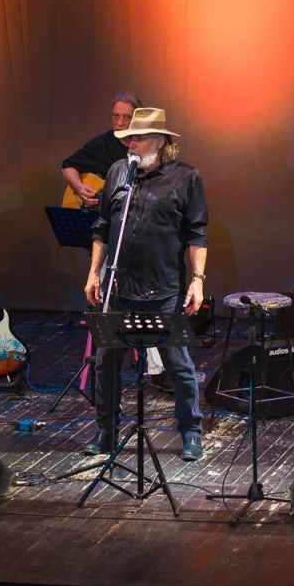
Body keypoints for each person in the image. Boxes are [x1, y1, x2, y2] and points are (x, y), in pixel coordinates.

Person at [83, 107, 208, 461]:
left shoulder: (186, 178)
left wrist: (197, 281)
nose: (131, 144)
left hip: (163, 289)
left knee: (177, 363)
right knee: (106, 363)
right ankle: (107, 432)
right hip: (118, 287)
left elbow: (197, 235)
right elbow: (103, 227)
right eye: (129, 139)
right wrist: (94, 273)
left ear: (160, 141)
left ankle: (191, 432)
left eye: (138, 138)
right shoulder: (118, 173)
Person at [61, 91, 169, 389]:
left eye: (126, 117)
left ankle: (157, 368)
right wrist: (81, 188)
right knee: (109, 296)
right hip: (111, 235)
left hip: (140, 239)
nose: (120, 122)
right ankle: (110, 368)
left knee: (146, 295)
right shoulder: (103, 144)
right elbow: (68, 165)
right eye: (115, 116)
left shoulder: (147, 150)